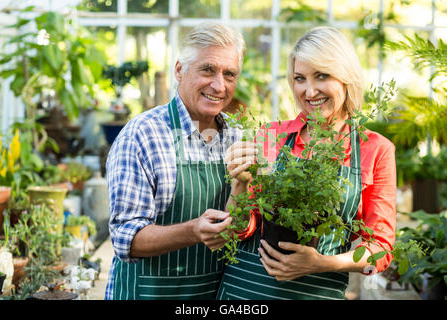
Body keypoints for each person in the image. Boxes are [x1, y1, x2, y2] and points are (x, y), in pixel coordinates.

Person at [218, 26, 396, 300]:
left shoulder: (376, 149)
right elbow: (240, 230)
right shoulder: (271, 135)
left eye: (321, 76)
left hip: (317, 292)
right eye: (300, 78)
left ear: (346, 77)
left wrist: (321, 263)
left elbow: (381, 248)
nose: (309, 91)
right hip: (246, 292)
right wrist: (239, 188)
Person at [104, 22, 245, 300]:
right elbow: (124, 238)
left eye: (229, 74)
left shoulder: (238, 138)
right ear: (179, 70)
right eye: (208, 70)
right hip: (147, 294)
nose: (219, 85)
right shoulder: (143, 134)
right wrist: (194, 230)